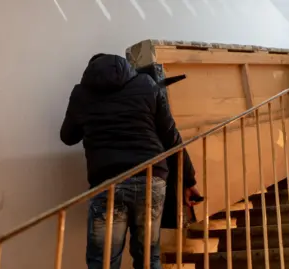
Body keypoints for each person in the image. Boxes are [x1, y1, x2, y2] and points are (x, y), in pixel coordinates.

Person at [60, 53, 200, 269]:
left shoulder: (82, 93)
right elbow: (171, 137)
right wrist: (188, 180)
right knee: (148, 258)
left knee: (103, 262)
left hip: (108, 182)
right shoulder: (146, 84)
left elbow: (68, 137)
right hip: (150, 178)